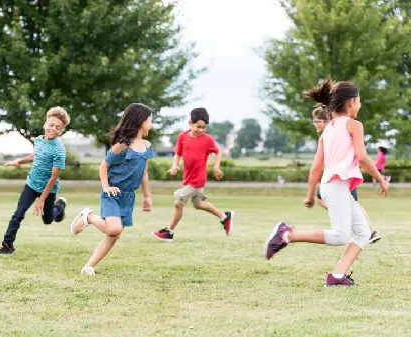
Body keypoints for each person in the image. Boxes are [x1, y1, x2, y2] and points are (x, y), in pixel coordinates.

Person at [264, 77, 389, 287]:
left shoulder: (328, 129)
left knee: (363, 233)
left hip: (331, 186)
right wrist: (380, 179)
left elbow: (315, 168)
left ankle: (337, 276)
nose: (360, 104)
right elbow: (362, 158)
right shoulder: (354, 125)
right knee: (341, 236)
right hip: (336, 186)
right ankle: (287, 235)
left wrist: (311, 194)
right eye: (359, 100)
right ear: (351, 102)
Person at [70, 103, 153, 275]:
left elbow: (144, 173)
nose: (151, 124)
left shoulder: (147, 146)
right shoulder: (122, 144)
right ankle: (89, 216)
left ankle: (89, 266)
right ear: (141, 121)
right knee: (114, 229)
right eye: (150, 120)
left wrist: (147, 197)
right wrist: (106, 186)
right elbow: (104, 166)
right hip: (113, 193)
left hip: (128, 196)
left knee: (114, 235)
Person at [151, 108, 234, 242]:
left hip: (197, 179)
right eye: (198, 127)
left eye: (204, 127)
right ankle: (225, 216)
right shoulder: (182, 137)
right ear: (190, 123)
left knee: (178, 204)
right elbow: (178, 153)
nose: (201, 130)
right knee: (198, 204)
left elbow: (218, 152)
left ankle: (169, 232)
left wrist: (216, 166)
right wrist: (174, 165)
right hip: (188, 178)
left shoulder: (207, 140)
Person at [0, 107, 70, 255]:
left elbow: (53, 177)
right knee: (18, 214)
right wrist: (19, 161)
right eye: (51, 125)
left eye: (58, 127)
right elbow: (35, 155)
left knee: (48, 220)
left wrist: (42, 199)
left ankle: (60, 207)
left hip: (49, 190)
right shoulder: (38, 140)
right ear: (45, 124)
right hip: (31, 184)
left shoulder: (59, 150)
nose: (53, 129)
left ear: (61, 131)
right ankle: (7, 246)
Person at [312, 105, 381, 244]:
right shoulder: (328, 135)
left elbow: (361, 156)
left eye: (317, 121)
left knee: (348, 211)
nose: (315, 124)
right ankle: (364, 228)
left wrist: (379, 178)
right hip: (336, 178)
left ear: (326, 121)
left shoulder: (337, 130)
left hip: (341, 177)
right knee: (346, 204)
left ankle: (369, 230)